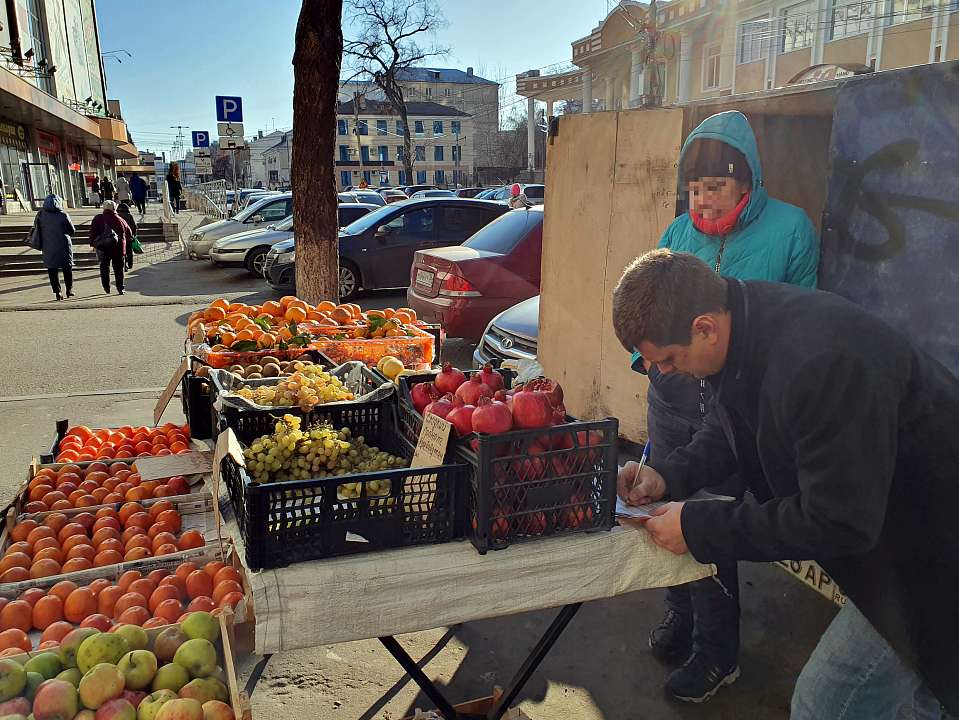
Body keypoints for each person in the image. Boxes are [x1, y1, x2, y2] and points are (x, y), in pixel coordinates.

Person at [612, 249, 958, 720]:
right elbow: (731, 425)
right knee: (918, 703)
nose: (662, 373)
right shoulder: (745, 325)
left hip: (931, 554)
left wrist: (698, 526)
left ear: (705, 327)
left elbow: (837, 520)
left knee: (824, 704)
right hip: (893, 533)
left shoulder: (820, 363)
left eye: (668, 359)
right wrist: (668, 475)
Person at [639, 110, 820, 703]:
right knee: (661, 507)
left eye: (715, 187)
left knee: (709, 523)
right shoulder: (677, 233)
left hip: (734, 404)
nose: (704, 201)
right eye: (695, 189)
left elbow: (803, 318)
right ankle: (680, 617)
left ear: (746, 183)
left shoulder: (790, 230)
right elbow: (650, 308)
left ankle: (717, 654)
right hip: (671, 399)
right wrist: (652, 363)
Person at [36, 194, 76, 301]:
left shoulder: (41, 215)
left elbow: (37, 229)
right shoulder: (63, 215)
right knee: (67, 268)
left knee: (52, 270)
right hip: (63, 244)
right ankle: (69, 289)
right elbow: (72, 230)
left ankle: (58, 292)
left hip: (48, 245)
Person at [88, 200, 132, 295]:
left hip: (103, 248)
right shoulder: (119, 219)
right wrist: (124, 242)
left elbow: (93, 233)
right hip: (118, 248)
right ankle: (120, 288)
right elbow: (129, 233)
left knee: (104, 267)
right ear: (114, 208)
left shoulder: (98, 218)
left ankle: (106, 287)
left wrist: (93, 244)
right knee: (118, 269)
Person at [116, 200, 138, 271]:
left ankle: (124, 264)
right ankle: (130, 264)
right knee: (129, 251)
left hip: (119, 238)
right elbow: (133, 226)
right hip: (129, 237)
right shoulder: (129, 216)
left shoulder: (117, 216)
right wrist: (134, 235)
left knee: (122, 252)